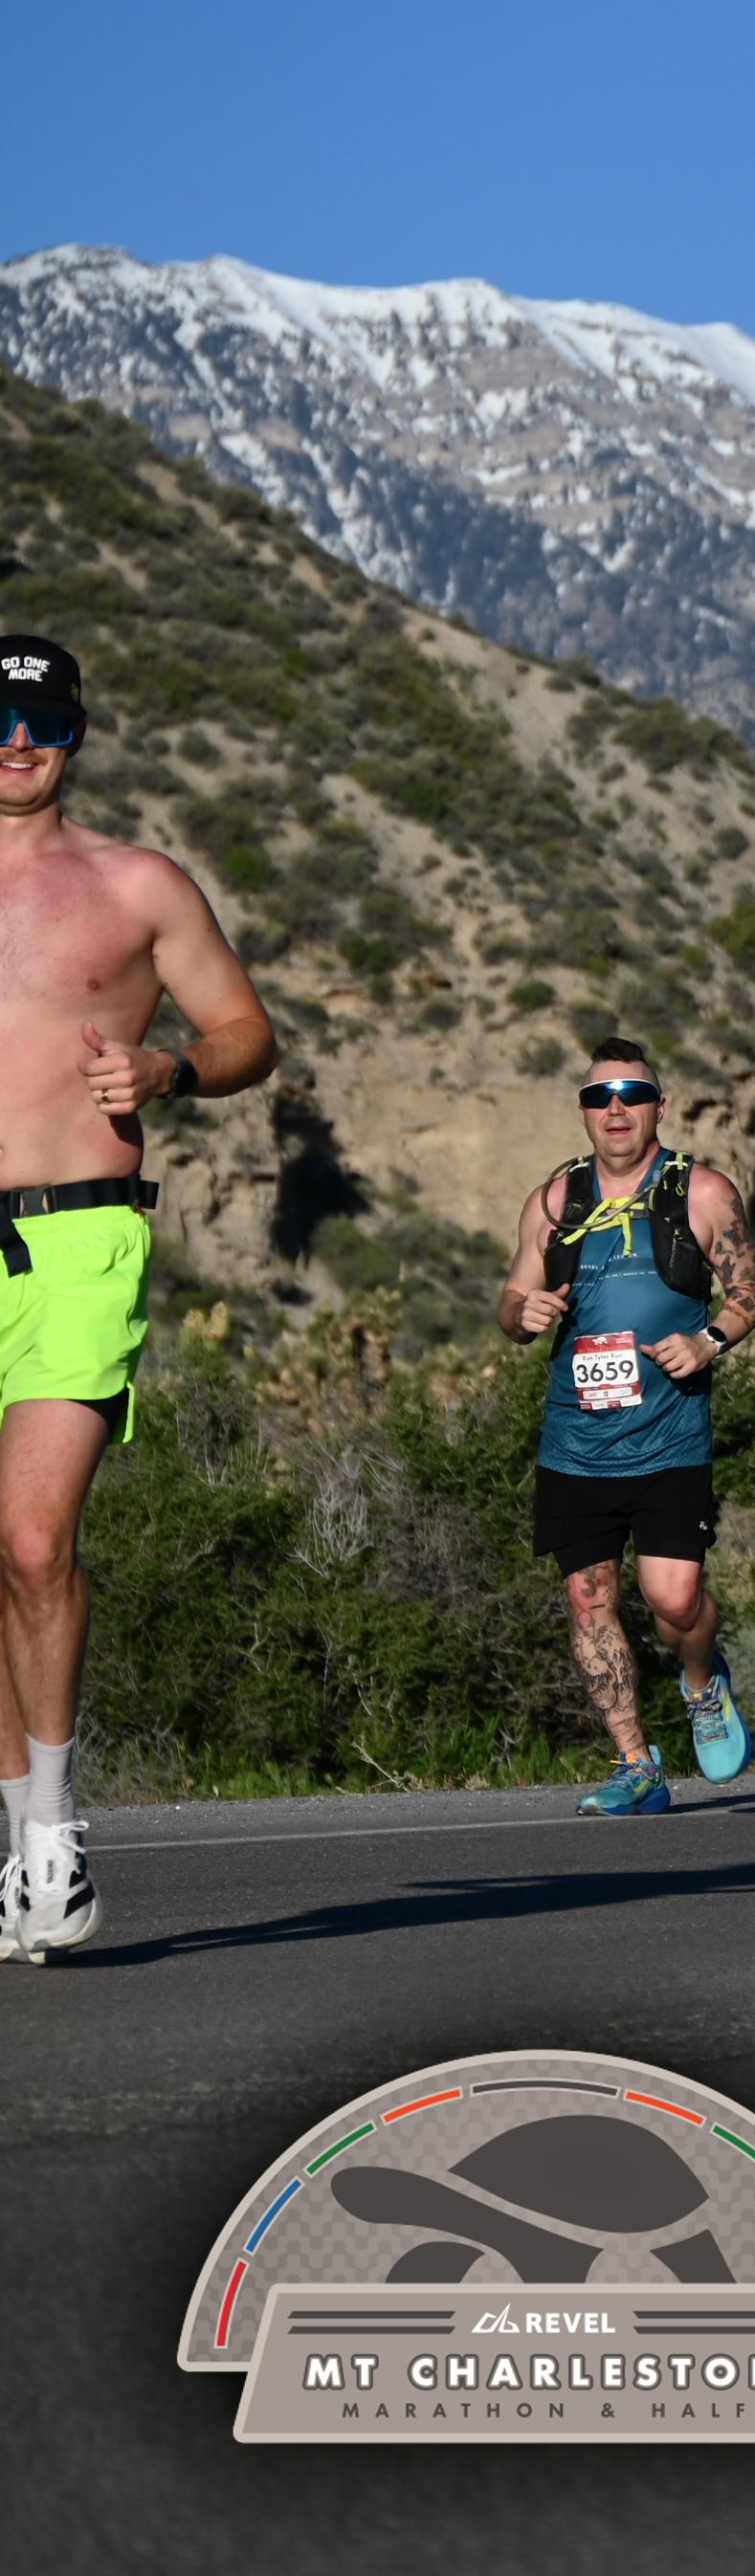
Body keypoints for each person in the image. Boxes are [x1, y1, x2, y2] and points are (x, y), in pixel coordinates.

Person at [0, 636, 276, 1959]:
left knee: (32, 1541)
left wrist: (170, 1073)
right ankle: (14, 1837)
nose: (16, 742)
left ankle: (56, 1830)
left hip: (77, 1237)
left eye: (41, 722)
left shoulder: (138, 884)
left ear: (76, 735)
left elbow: (247, 1034)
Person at [497, 1042, 755, 1816]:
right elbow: (511, 1304)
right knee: (589, 1601)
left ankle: (701, 1680)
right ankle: (635, 1764)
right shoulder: (554, 1202)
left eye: (631, 1094)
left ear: (659, 1106)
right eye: (599, 1096)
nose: (615, 1109)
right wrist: (523, 1312)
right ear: (584, 1111)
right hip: (576, 1442)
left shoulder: (702, 1191)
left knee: (673, 1600)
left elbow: (750, 1289)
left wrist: (708, 1341)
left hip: (669, 1436)